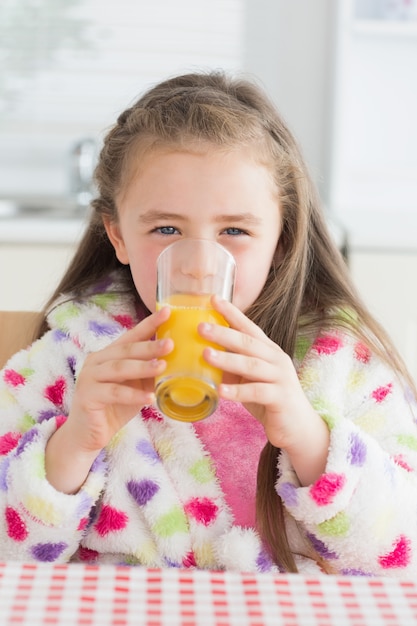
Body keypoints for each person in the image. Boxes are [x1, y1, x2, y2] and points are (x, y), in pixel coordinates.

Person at [1, 71, 417, 577]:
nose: (199, 263)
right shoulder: (68, 359)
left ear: (280, 241)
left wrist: (310, 439)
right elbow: (9, 553)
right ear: (119, 236)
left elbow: (400, 552)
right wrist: (74, 443)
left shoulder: (340, 366)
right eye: (167, 229)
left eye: (235, 230)